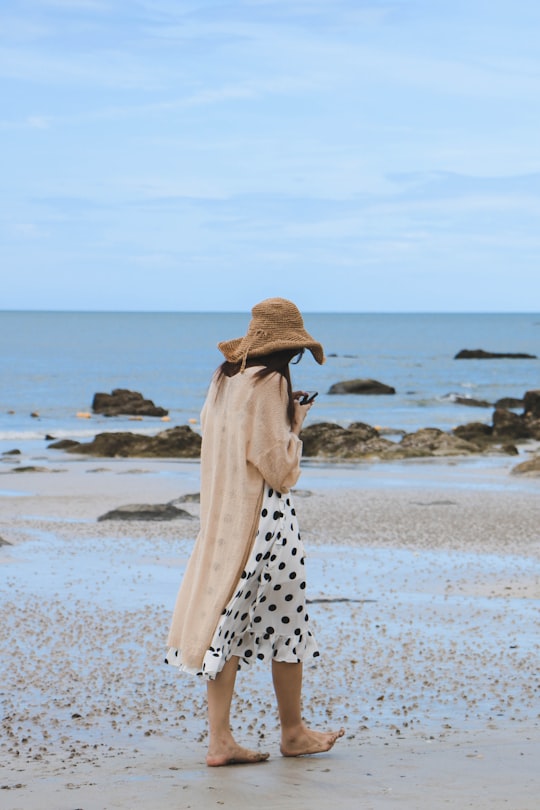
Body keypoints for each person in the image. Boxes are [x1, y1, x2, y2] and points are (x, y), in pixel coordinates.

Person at [165, 297, 344, 766]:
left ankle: (220, 739)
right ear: (289, 349)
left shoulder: (224, 379)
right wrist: (297, 425)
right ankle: (293, 732)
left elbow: (224, 445)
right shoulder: (270, 384)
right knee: (290, 625)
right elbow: (279, 469)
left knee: (226, 622)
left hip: (225, 520)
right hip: (267, 524)